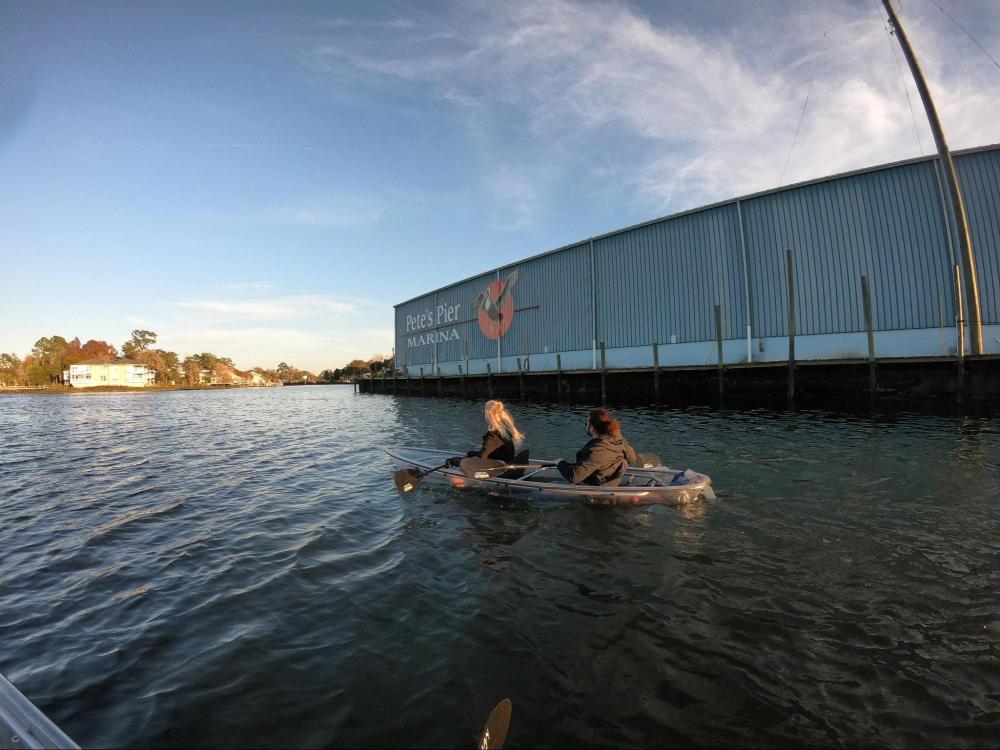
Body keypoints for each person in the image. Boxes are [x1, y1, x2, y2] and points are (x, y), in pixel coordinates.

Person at [557, 408, 638, 486]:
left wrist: (560, 463)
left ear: (592, 428)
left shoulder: (598, 451)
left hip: (594, 490)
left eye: (586, 423)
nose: (586, 426)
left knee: (555, 483)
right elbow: (632, 458)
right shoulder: (620, 442)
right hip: (610, 483)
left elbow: (574, 477)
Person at [446, 400, 525, 466]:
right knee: (470, 453)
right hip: (505, 463)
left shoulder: (492, 436)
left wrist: (455, 461)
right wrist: (472, 454)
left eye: (484, 410)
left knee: (456, 460)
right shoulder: (506, 432)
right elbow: (490, 453)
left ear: (489, 414)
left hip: (495, 469)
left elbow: (481, 459)